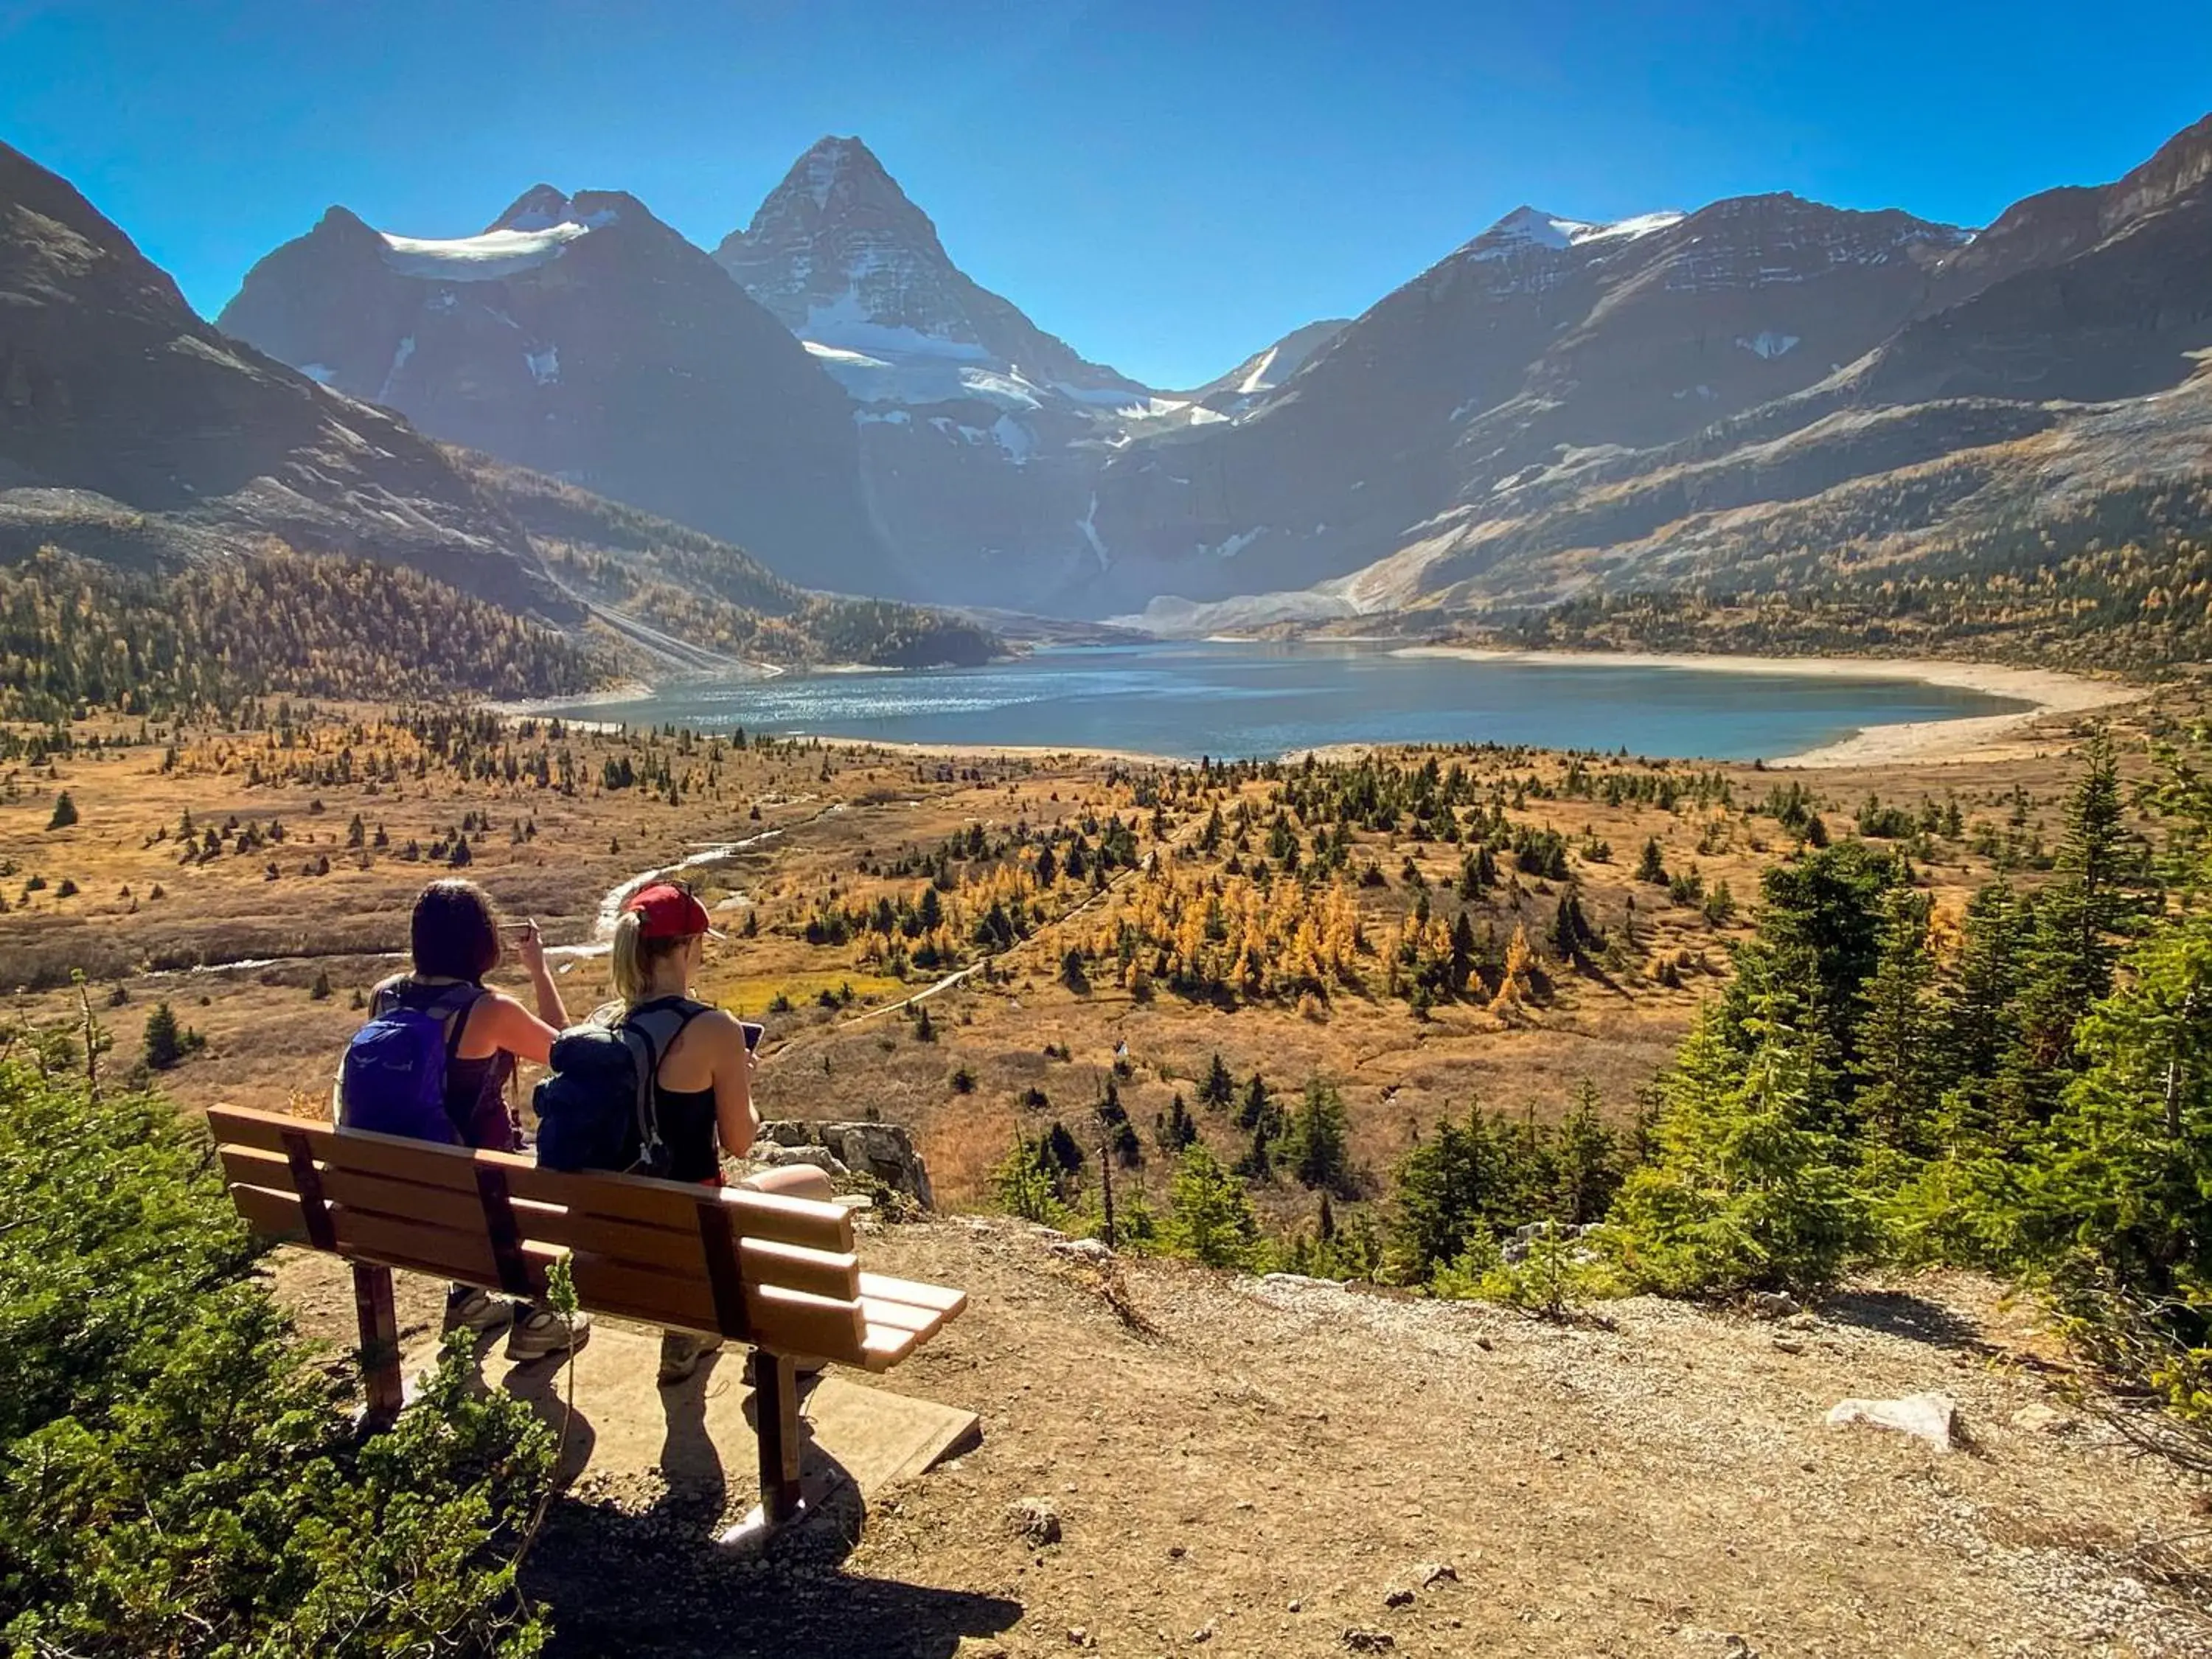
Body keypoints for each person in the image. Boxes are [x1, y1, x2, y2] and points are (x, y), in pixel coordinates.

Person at [351, 878, 588, 1360]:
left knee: (460, 1162)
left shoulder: (384, 997)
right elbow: (570, 1052)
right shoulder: (489, 1010)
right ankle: (537, 1316)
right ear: (483, 941)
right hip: (482, 1188)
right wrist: (539, 971)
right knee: (542, 1160)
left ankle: (468, 1300)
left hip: (391, 1190)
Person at [606, 881, 835, 1382]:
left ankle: (689, 1328)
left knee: (685, 1213)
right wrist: (739, 1078)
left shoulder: (603, 1025)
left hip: (612, 1240)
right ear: (687, 947)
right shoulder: (714, 1029)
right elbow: (740, 1141)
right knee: (814, 1183)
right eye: (701, 945)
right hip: (694, 1232)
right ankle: (785, 1348)